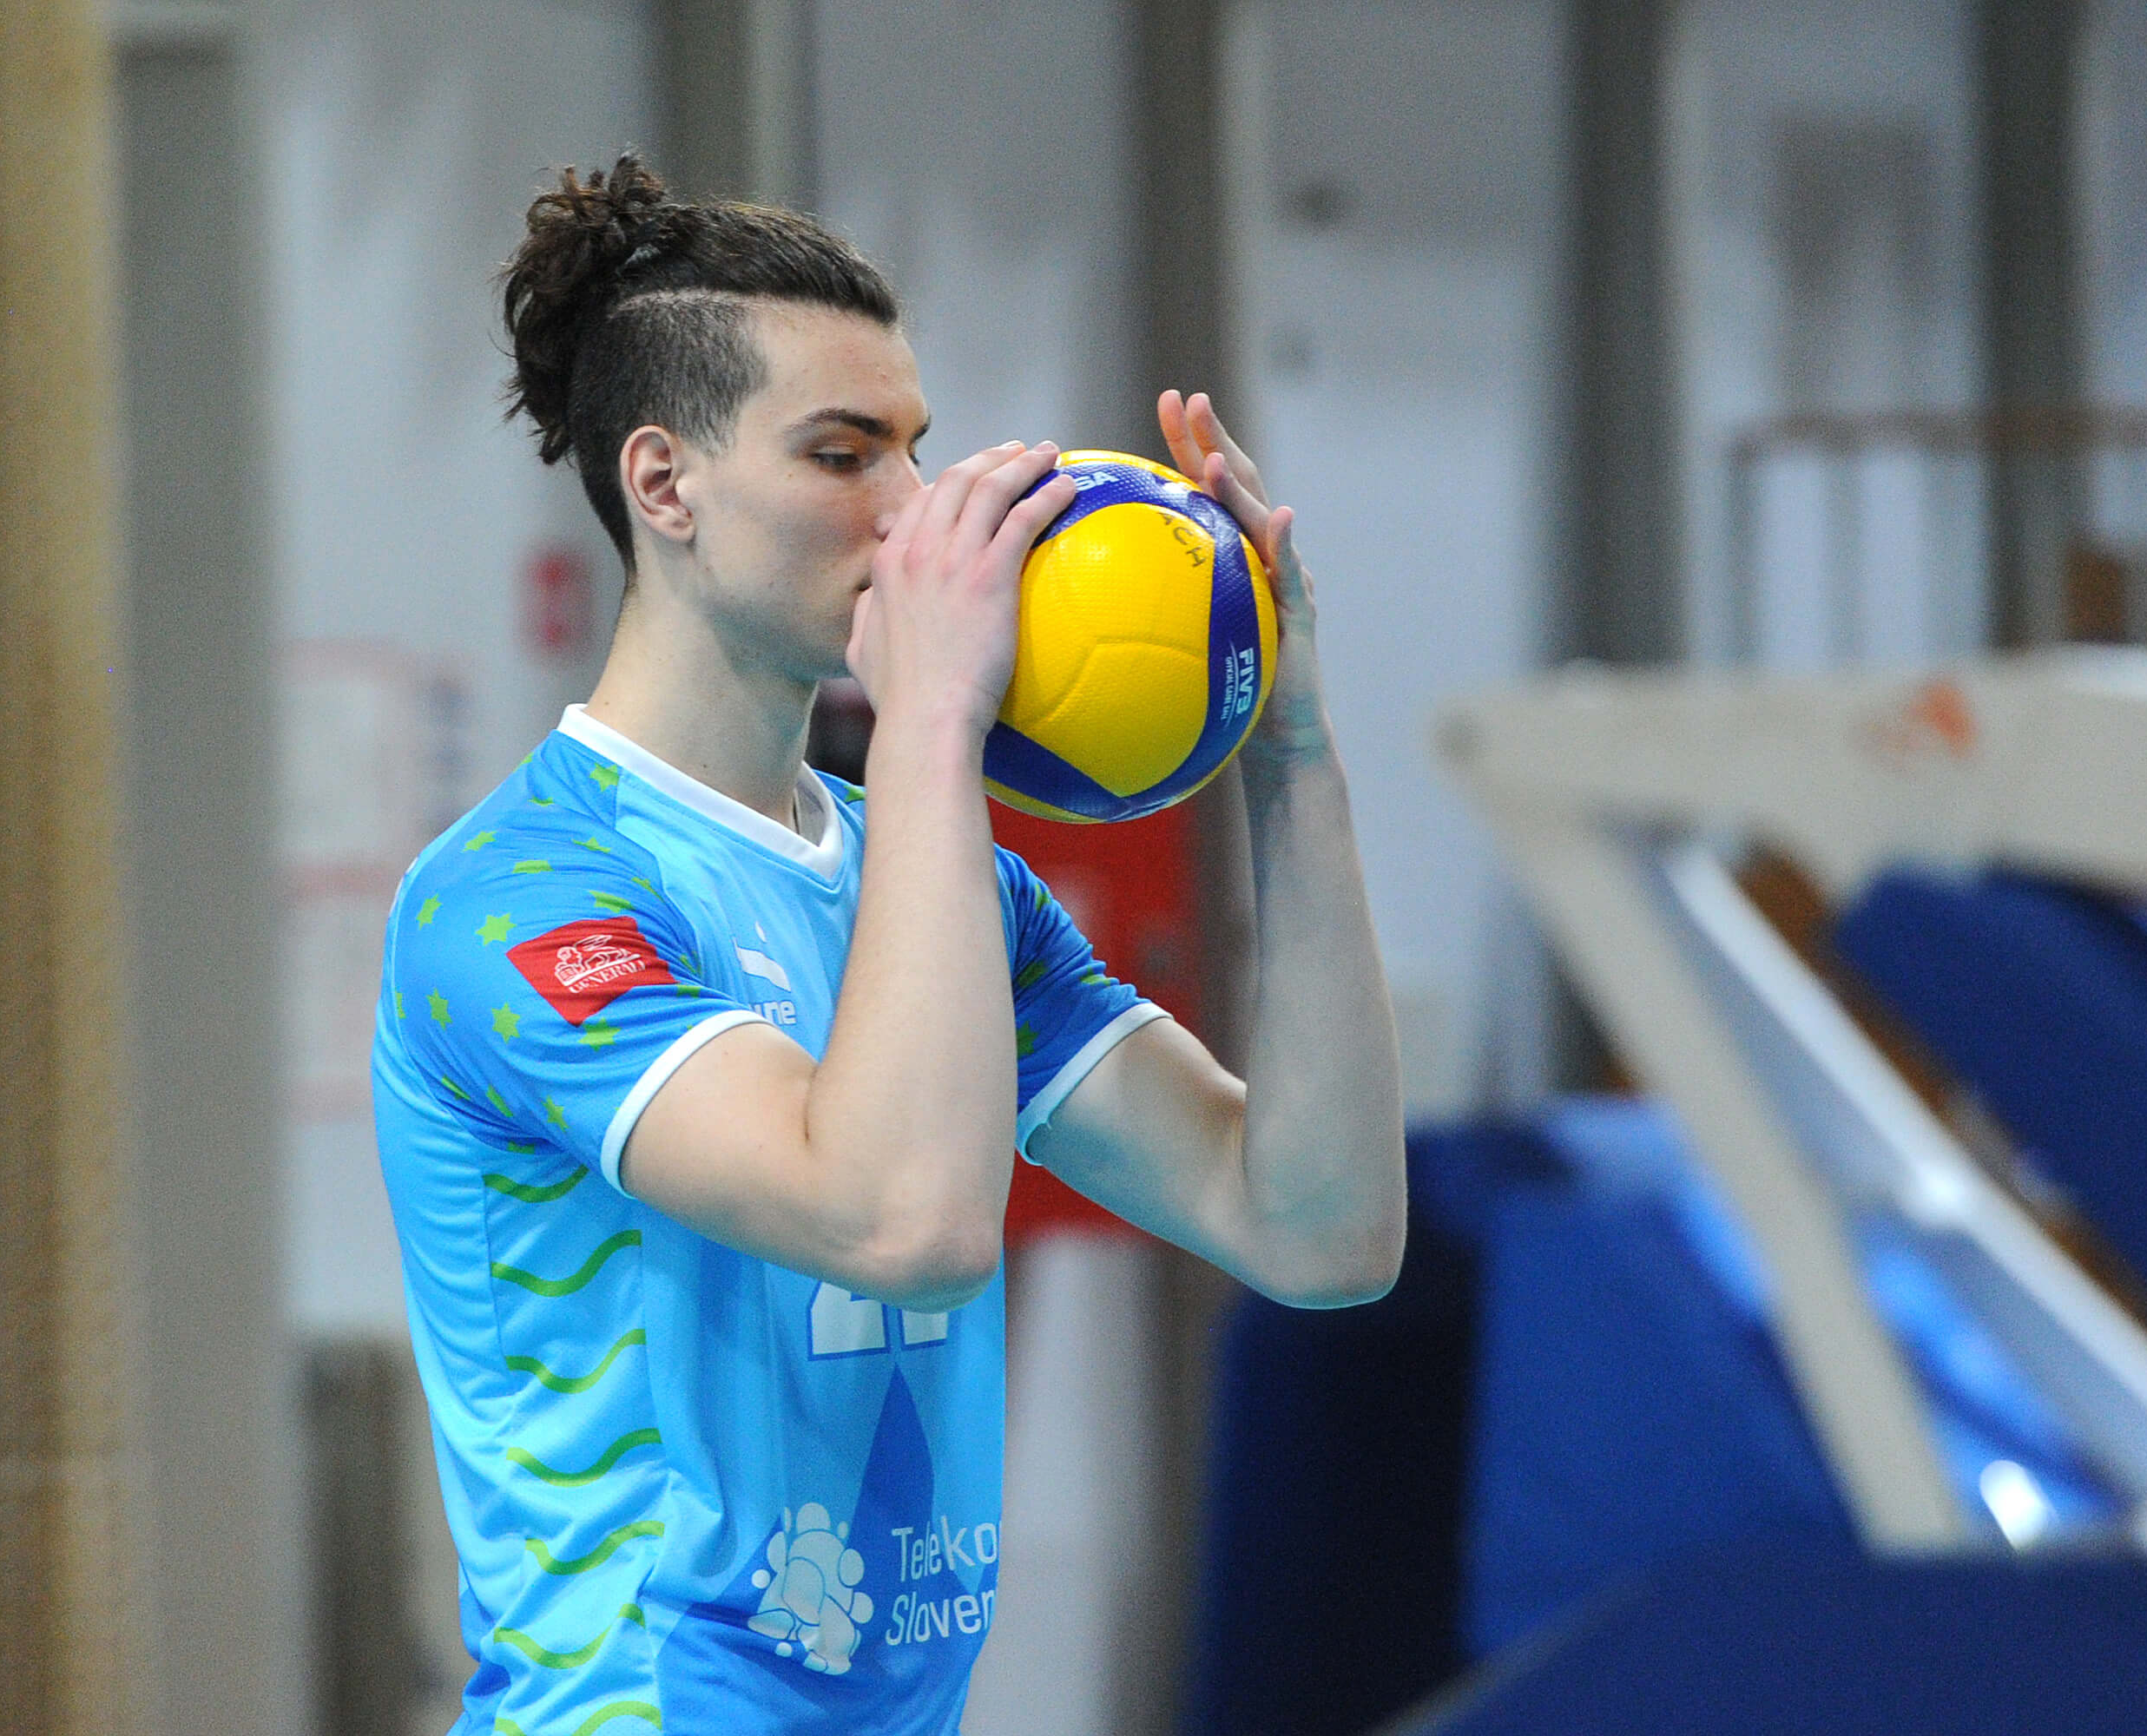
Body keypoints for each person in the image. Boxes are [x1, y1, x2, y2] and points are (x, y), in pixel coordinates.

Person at [371, 155, 1405, 1736]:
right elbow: (901, 1218)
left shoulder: (934, 879)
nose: (913, 510)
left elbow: (1320, 1232)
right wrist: (932, 721)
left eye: (918, 448)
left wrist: (1291, 746)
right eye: (843, 454)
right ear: (665, 487)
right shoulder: (519, 899)